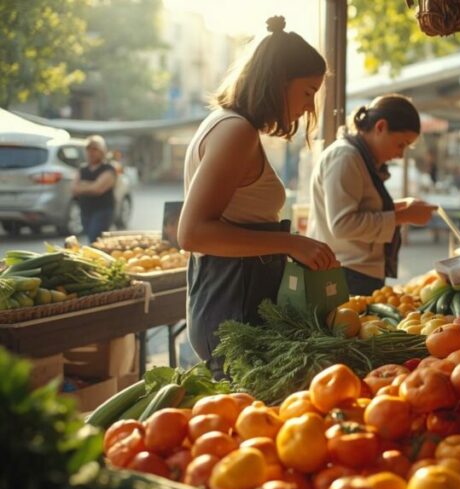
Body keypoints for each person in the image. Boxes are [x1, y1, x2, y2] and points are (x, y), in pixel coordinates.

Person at [177, 16, 336, 377]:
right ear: (279, 82)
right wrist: (290, 243)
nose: (309, 107)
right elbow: (193, 233)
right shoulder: (236, 131)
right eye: (308, 92)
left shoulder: (228, 124)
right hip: (232, 305)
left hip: (229, 301)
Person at [307, 95, 437, 296]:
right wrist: (404, 215)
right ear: (380, 127)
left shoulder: (359, 158)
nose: (400, 155)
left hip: (356, 272)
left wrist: (401, 206)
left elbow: (362, 208)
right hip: (346, 274)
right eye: (400, 144)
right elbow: (342, 224)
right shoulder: (345, 157)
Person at [71, 135, 118, 243]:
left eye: (94, 149)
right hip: (86, 209)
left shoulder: (108, 169)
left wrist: (83, 185)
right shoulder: (83, 169)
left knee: (95, 239)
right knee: (90, 236)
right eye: (88, 150)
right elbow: (74, 188)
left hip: (102, 210)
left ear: (102, 151)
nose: (91, 153)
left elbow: (97, 189)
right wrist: (91, 186)